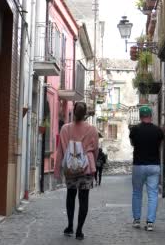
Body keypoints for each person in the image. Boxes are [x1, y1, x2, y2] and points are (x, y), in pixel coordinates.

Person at [54, 101, 99, 240]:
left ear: (74, 112)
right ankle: (79, 231)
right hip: (86, 169)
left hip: (71, 169)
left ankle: (69, 226)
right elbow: (96, 150)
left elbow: (60, 150)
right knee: (84, 199)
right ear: (85, 114)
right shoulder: (92, 130)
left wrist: (57, 169)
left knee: (70, 196)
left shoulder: (65, 129)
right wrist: (92, 163)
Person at [129, 106, 164, 232]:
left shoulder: (134, 130)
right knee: (153, 194)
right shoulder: (158, 131)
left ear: (140, 116)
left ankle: (137, 220)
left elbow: (132, 144)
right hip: (154, 165)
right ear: (151, 116)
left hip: (138, 165)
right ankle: (150, 223)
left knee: (137, 193)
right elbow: (159, 145)